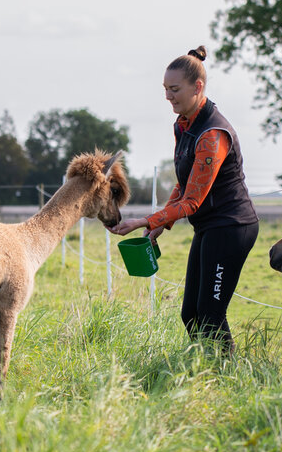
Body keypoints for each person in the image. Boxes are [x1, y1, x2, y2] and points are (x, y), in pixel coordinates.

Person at [109, 45, 259, 352]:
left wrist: (146, 220)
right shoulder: (183, 125)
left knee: (210, 315)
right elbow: (185, 184)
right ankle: (207, 370)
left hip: (232, 226)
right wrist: (163, 223)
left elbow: (193, 201)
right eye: (165, 89)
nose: (168, 96)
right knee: (190, 314)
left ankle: (227, 378)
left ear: (198, 87)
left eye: (175, 89)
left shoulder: (212, 135)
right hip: (209, 226)